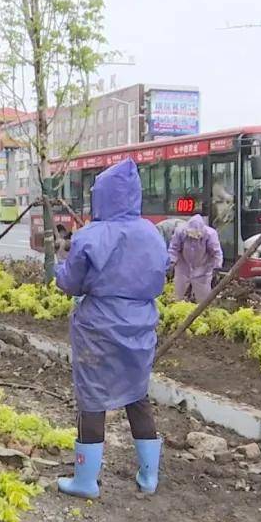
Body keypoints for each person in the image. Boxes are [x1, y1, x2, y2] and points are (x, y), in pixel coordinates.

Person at [54, 159, 168, 498]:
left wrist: (60, 265)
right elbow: (161, 276)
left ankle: (86, 481)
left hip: (99, 326)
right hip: (140, 324)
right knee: (137, 396)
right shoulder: (152, 232)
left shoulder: (92, 235)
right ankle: (149, 478)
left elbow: (70, 283)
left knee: (92, 399)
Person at [168, 214, 222, 302]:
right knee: (178, 294)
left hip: (203, 268)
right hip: (183, 267)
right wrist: (171, 262)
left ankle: (203, 313)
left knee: (204, 298)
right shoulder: (180, 232)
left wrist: (217, 267)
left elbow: (216, 252)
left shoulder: (210, 234)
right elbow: (173, 248)